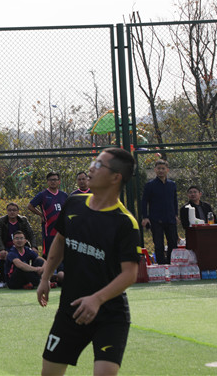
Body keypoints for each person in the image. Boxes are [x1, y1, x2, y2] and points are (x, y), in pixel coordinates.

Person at [37, 148, 140, 376]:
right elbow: (60, 241)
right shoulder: (74, 203)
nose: (91, 168)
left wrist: (97, 299)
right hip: (71, 310)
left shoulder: (125, 222)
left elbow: (130, 274)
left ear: (116, 177)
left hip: (109, 314)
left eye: (99, 165)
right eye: (94, 162)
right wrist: (45, 277)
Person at [140, 160, 178, 264]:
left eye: (163, 168)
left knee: (173, 243)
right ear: (155, 170)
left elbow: (175, 200)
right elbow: (144, 201)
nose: (161, 170)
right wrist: (145, 217)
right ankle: (161, 265)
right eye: (159, 168)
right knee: (158, 244)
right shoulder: (150, 185)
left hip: (170, 218)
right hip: (156, 219)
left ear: (167, 170)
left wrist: (176, 215)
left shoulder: (172, 184)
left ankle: (171, 263)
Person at [28, 172, 69, 258]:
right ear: (47, 182)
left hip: (62, 230)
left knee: (63, 254)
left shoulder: (64, 195)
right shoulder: (42, 195)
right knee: (49, 255)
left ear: (59, 181)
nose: (53, 182)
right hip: (49, 230)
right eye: (50, 180)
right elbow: (30, 206)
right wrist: (41, 215)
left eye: (55, 180)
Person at [0, 202, 37, 286]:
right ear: (7, 211)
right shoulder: (1, 221)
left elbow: (31, 234)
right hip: (7, 247)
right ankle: (4, 280)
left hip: (22, 247)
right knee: (2, 255)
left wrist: (34, 246)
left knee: (35, 255)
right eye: (10, 210)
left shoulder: (23, 220)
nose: (12, 212)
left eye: (14, 210)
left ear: (18, 211)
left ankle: (34, 277)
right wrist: (1, 249)